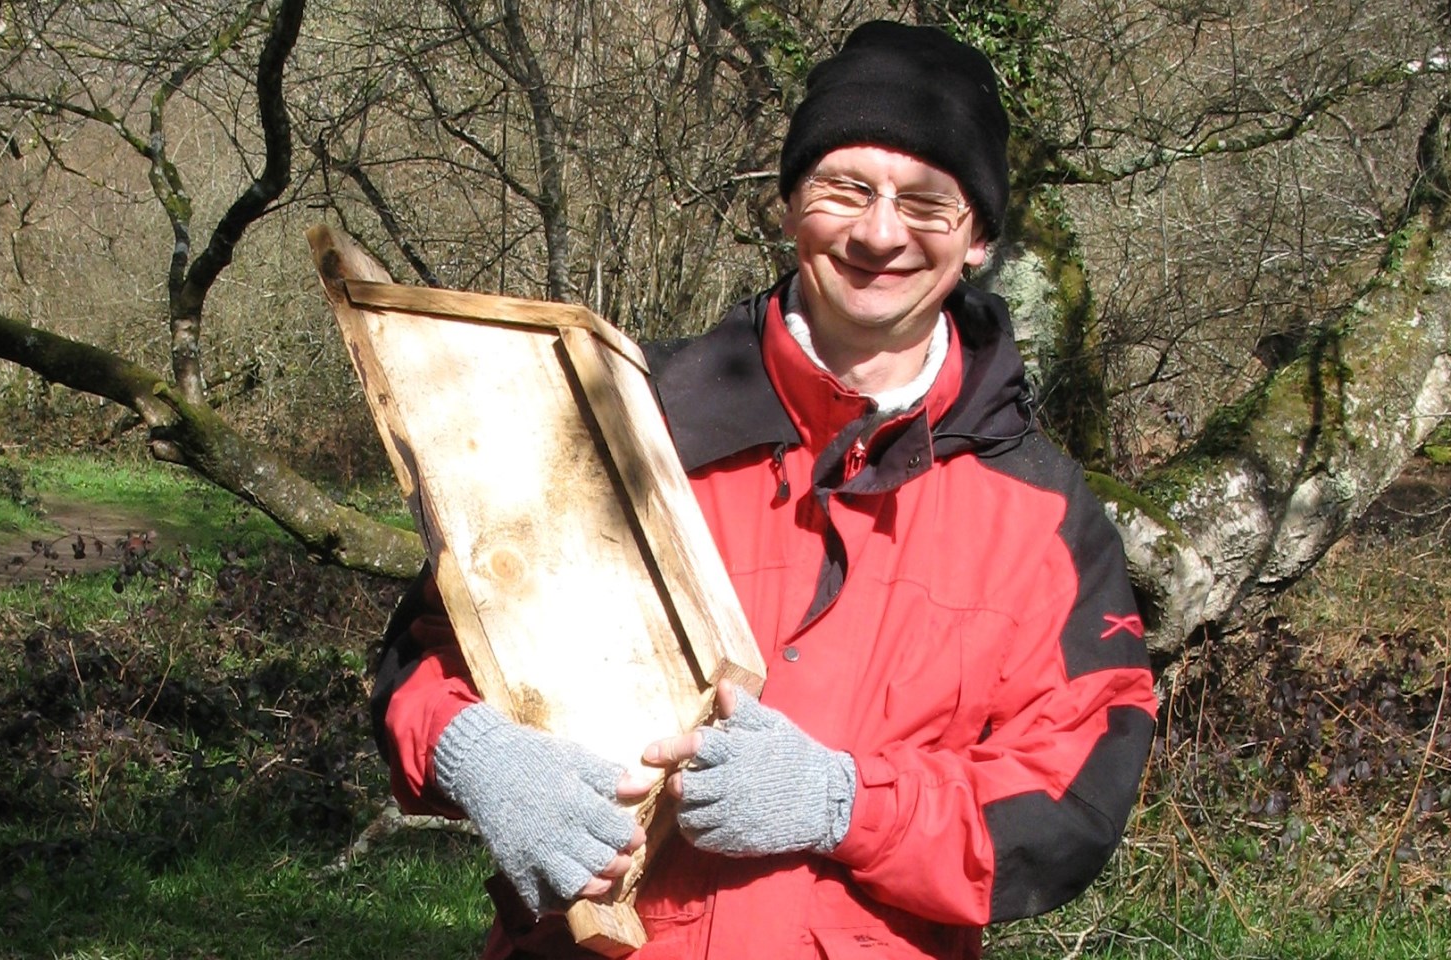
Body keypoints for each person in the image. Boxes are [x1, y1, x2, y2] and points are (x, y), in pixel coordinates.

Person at [370, 20, 1158, 960]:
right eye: (845, 188)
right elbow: (422, 656)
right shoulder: (621, 420)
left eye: (926, 203)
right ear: (788, 207)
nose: (878, 232)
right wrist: (477, 756)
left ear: (978, 238)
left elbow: (1073, 799)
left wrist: (846, 804)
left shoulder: (1043, 512)